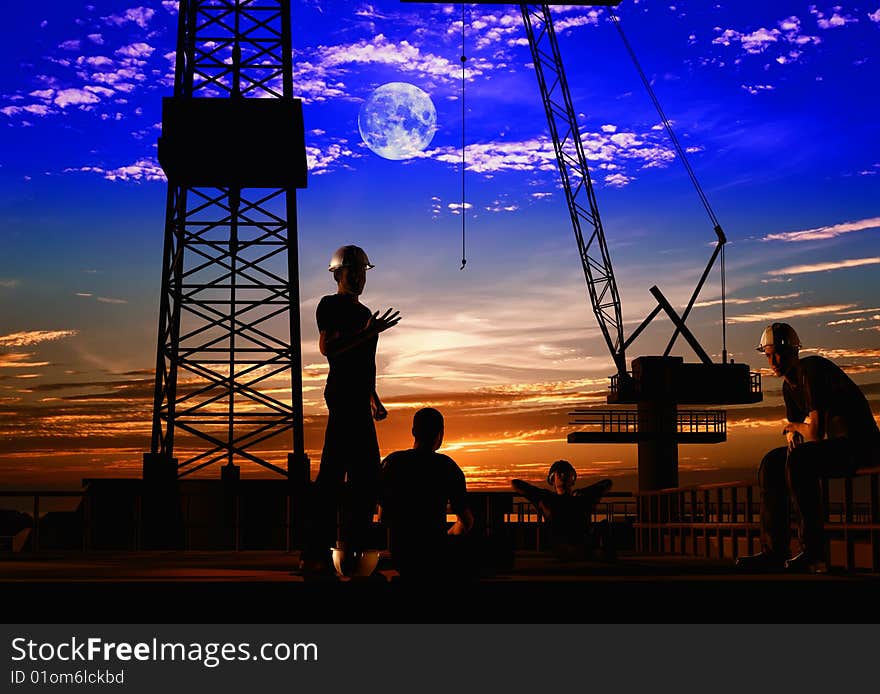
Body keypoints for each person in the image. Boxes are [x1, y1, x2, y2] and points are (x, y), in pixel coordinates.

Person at [736, 322, 880, 573]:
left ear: (794, 352)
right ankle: (774, 551)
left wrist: (792, 428)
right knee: (772, 463)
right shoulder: (788, 387)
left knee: (801, 460)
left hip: (858, 445)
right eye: (769, 355)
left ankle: (813, 551)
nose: (774, 360)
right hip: (831, 446)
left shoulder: (810, 370)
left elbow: (813, 433)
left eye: (779, 353)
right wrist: (792, 434)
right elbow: (797, 435)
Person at [300, 245, 401, 574]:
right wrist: (367, 331)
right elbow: (329, 348)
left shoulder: (364, 314)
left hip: (359, 399)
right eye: (352, 273)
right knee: (334, 476)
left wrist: (374, 398)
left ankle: (354, 549)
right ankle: (316, 554)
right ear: (338, 275)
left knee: (365, 478)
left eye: (362, 273)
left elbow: (364, 363)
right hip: (343, 398)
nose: (358, 279)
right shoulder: (329, 306)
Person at [379, 407, 475, 580]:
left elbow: (384, 515)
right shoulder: (447, 467)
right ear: (441, 433)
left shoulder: (393, 462)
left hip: (400, 553)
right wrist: (449, 536)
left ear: (414, 431)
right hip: (434, 555)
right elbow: (466, 521)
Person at [512, 460, 614, 560]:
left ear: (573, 478)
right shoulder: (547, 499)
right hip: (561, 546)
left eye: (566, 473)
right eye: (559, 473)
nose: (563, 475)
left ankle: (589, 552)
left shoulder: (582, 498)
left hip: (581, 545)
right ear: (552, 479)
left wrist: (584, 491)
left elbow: (607, 483)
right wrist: (541, 492)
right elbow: (516, 483)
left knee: (603, 524)